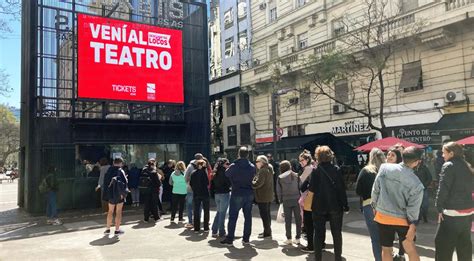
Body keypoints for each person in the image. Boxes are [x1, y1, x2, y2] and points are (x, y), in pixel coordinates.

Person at [372, 146, 424, 261]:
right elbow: (413, 208)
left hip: (383, 216)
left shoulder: (384, 168)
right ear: (416, 162)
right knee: (410, 249)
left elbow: (375, 190)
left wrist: (374, 207)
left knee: (386, 249)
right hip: (404, 220)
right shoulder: (417, 184)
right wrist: (413, 224)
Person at [309, 146, 349, 261]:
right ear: (330, 156)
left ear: (318, 157)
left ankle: (318, 258)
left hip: (318, 206)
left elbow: (312, 189)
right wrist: (345, 205)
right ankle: (338, 258)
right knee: (337, 234)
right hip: (335, 205)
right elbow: (341, 189)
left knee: (318, 234)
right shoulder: (336, 169)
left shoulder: (316, 171)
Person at [435, 142, 473, 261]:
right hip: (468, 212)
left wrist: (439, 208)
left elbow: (443, 189)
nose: (442, 155)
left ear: (451, 153)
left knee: (443, 248)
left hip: (452, 212)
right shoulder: (467, 166)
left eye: (444, 152)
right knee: (464, 247)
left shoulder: (448, 166)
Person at [220, 147, 256, 246]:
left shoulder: (234, 165)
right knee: (248, 217)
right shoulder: (252, 166)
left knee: (233, 217)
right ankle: (246, 239)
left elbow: (227, 174)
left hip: (237, 193)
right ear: (248, 155)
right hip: (249, 193)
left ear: (239, 154)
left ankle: (230, 238)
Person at [356, 148, 386, 261]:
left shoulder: (365, 171)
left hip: (369, 205)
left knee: (375, 238)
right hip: (386, 207)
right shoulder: (387, 171)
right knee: (386, 238)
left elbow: (358, 190)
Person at [386, 146, 406, 260]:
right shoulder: (383, 169)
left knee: (402, 233)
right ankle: (391, 254)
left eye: (392, 155)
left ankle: (402, 254)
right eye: (388, 154)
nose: (389, 156)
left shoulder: (401, 170)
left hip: (399, 206)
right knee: (388, 234)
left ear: (398, 157)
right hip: (386, 207)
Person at [276, 160, 302, 245]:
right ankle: (298, 237)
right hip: (297, 199)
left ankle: (289, 238)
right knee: (298, 219)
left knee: (288, 220)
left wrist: (280, 200)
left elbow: (278, 191)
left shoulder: (280, 178)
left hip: (286, 200)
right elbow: (300, 186)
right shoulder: (296, 175)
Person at [102, 157, 128, 235]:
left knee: (110, 211)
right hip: (119, 194)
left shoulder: (108, 171)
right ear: (120, 163)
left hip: (111, 195)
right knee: (118, 212)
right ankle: (117, 230)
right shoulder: (121, 171)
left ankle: (107, 229)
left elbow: (105, 183)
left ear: (113, 163)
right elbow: (125, 183)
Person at [252, 155, 275, 239]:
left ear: (262, 162)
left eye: (257, 161)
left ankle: (267, 232)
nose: (256, 163)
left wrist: (252, 183)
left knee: (264, 215)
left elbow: (258, 183)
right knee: (267, 215)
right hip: (268, 195)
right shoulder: (269, 168)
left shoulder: (263, 171)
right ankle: (267, 231)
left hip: (263, 196)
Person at [299, 150, 315, 253]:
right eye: (299, 161)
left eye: (302, 160)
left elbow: (301, 183)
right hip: (313, 197)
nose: (301, 162)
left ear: (307, 159)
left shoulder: (308, 168)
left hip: (309, 197)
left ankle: (311, 245)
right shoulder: (313, 167)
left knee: (309, 222)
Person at [210, 158, 231, 238]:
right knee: (222, 213)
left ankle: (214, 230)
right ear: (223, 164)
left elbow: (212, 185)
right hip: (224, 194)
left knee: (219, 212)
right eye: (227, 164)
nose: (228, 165)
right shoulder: (225, 173)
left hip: (217, 194)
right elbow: (228, 183)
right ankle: (221, 231)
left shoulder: (215, 173)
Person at [190, 159, 210, 232]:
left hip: (196, 194)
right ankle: (206, 227)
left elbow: (191, 183)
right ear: (202, 165)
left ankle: (196, 228)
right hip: (204, 193)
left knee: (196, 211)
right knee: (206, 211)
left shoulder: (193, 173)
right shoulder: (204, 172)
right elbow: (207, 183)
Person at [184, 153, 204, 229]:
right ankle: (197, 220)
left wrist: (189, 183)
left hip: (190, 189)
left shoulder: (190, 166)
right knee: (199, 205)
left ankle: (190, 222)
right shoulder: (203, 166)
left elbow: (185, 178)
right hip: (200, 190)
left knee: (189, 205)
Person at [141, 158, 161, 223]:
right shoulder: (154, 172)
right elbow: (158, 183)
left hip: (146, 190)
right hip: (154, 190)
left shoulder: (143, 171)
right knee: (154, 204)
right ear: (152, 165)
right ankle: (156, 218)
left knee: (146, 204)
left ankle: (146, 219)